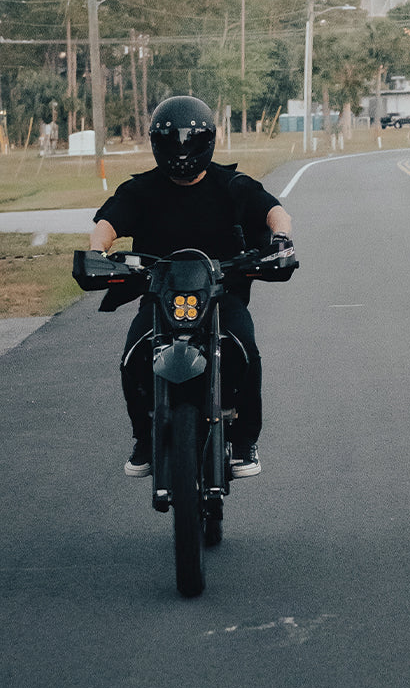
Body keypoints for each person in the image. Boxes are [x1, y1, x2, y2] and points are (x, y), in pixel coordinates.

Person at [89, 95, 293, 479]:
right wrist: (97, 251)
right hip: (159, 297)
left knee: (246, 350)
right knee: (133, 358)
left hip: (220, 295)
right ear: (156, 144)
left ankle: (245, 439)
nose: (181, 152)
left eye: (192, 142)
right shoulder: (141, 191)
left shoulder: (232, 184)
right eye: (171, 143)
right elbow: (107, 224)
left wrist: (281, 238)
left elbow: (273, 210)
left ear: (209, 141)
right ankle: (144, 438)